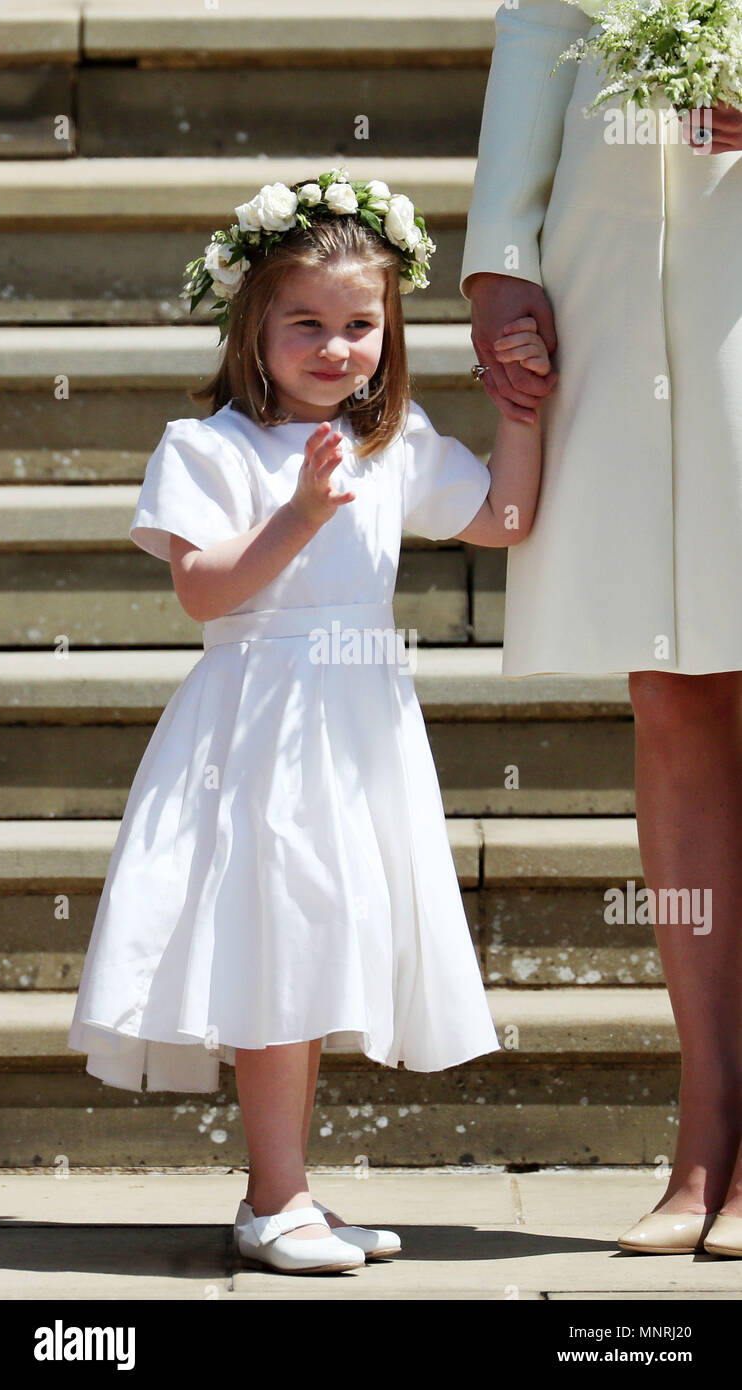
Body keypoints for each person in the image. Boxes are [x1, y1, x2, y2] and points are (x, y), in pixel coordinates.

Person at [67, 168, 554, 1274]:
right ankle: (272, 1195)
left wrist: (520, 411)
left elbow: (504, 518)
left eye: (359, 325)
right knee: (277, 941)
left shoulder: (392, 443)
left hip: (358, 727)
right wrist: (295, 513)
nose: (337, 348)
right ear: (254, 323)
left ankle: (286, 1192)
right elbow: (204, 592)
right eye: (307, 324)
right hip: (257, 724)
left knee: (324, 938)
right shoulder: (210, 450)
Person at [461, 0, 742, 1256]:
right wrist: (497, 249)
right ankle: (706, 1121)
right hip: (611, 273)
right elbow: (540, 20)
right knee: (671, 690)